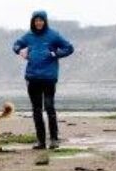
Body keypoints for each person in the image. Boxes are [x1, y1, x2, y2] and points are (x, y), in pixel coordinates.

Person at [12, 10, 74, 150]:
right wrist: (19, 51)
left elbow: (69, 48)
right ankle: (41, 141)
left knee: (49, 107)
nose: (38, 23)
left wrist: (55, 53)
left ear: (45, 21)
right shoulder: (29, 36)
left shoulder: (53, 35)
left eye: (41, 20)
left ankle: (53, 139)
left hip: (49, 77)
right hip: (32, 77)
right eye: (36, 20)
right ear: (33, 22)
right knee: (36, 110)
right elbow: (16, 44)